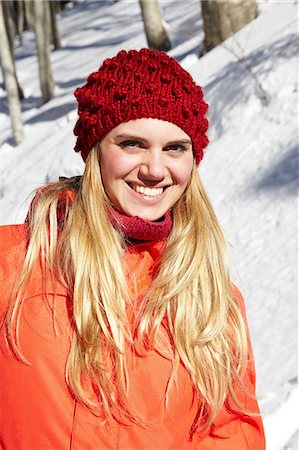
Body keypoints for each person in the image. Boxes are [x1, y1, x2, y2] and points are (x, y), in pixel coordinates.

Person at [0, 48, 265, 449]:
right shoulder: (15, 267)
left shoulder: (211, 297)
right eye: (132, 143)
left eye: (175, 148)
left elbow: (232, 432)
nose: (155, 169)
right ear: (94, 151)